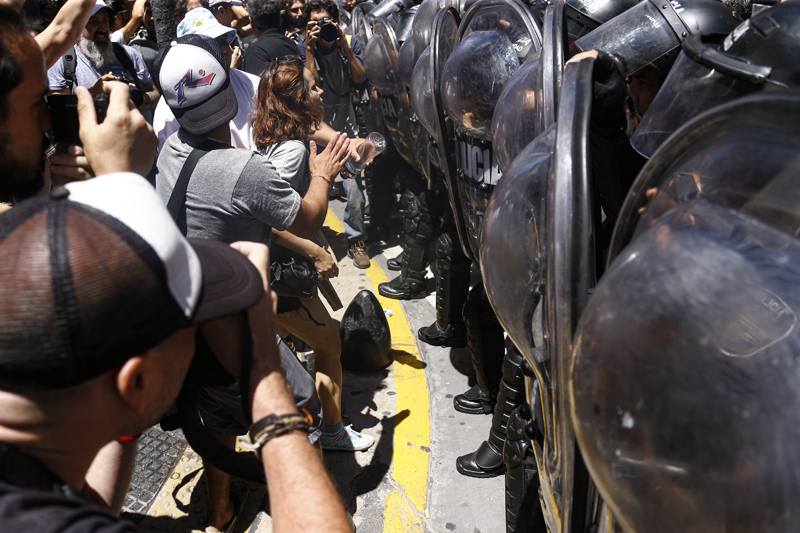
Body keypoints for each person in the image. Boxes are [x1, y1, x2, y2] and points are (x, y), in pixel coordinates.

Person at [152, 34, 351, 532]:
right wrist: (322, 172)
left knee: (218, 417)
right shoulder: (243, 169)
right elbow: (304, 220)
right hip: (235, 326)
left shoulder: (170, 149)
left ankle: (221, 513)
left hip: (185, 324)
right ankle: (305, 515)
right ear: (228, 94)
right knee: (300, 401)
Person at [253, 55, 375, 451]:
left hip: (272, 274)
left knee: (285, 347)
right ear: (299, 100)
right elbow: (264, 218)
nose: (321, 91)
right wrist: (313, 248)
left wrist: (351, 145)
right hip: (279, 275)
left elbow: (319, 131)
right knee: (328, 344)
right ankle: (333, 432)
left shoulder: (290, 134)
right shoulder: (291, 152)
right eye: (313, 87)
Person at [300, 0, 370, 268]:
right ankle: (314, 244)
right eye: (316, 22)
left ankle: (356, 240)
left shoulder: (349, 43)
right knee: (314, 192)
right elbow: (311, 83)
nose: (323, 27)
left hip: (347, 133)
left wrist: (344, 46)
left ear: (337, 22)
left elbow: (360, 78)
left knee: (355, 193)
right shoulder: (304, 47)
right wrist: (309, 47)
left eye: (327, 21)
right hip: (317, 138)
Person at [46, 0, 159, 111]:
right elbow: (60, 112)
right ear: (78, 25)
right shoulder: (62, 62)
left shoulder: (128, 54)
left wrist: (133, 97)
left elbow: (154, 94)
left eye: (105, 21)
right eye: (94, 22)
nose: (103, 29)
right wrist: (94, 94)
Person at [242, 0, 301, 76]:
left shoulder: (256, 51)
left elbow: (254, 86)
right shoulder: (293, 45)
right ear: (280, 19)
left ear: (251, 22)